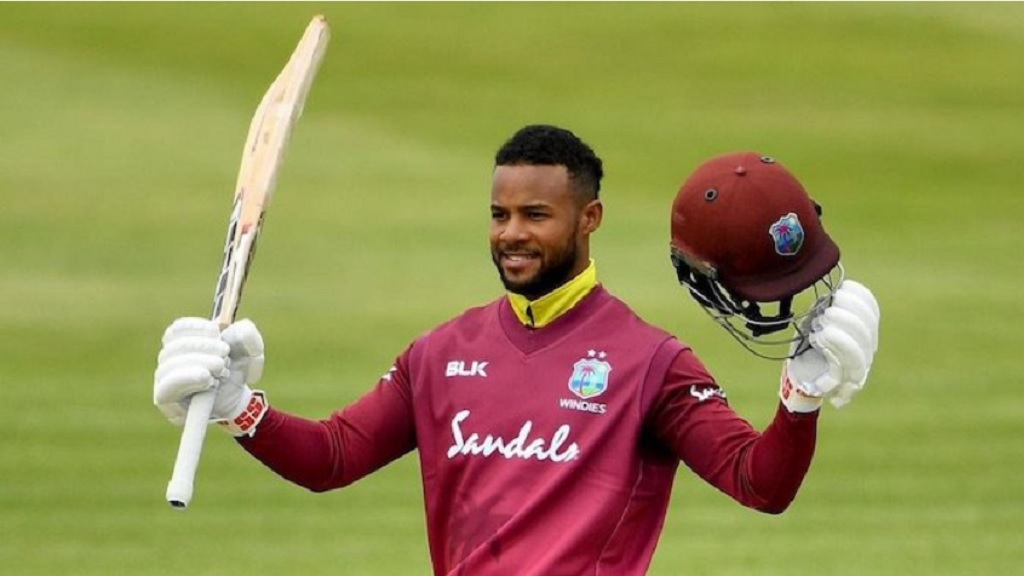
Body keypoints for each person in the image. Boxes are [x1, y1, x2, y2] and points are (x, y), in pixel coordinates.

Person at [154, 125, 880, 575]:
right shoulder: (440, 354)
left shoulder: (651, 363)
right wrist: (238, 408)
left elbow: (760, 483)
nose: (511, 234)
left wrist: (800, 401)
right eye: (500, 215)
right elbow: (333, 458)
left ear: (589, 218)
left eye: (536, 215)